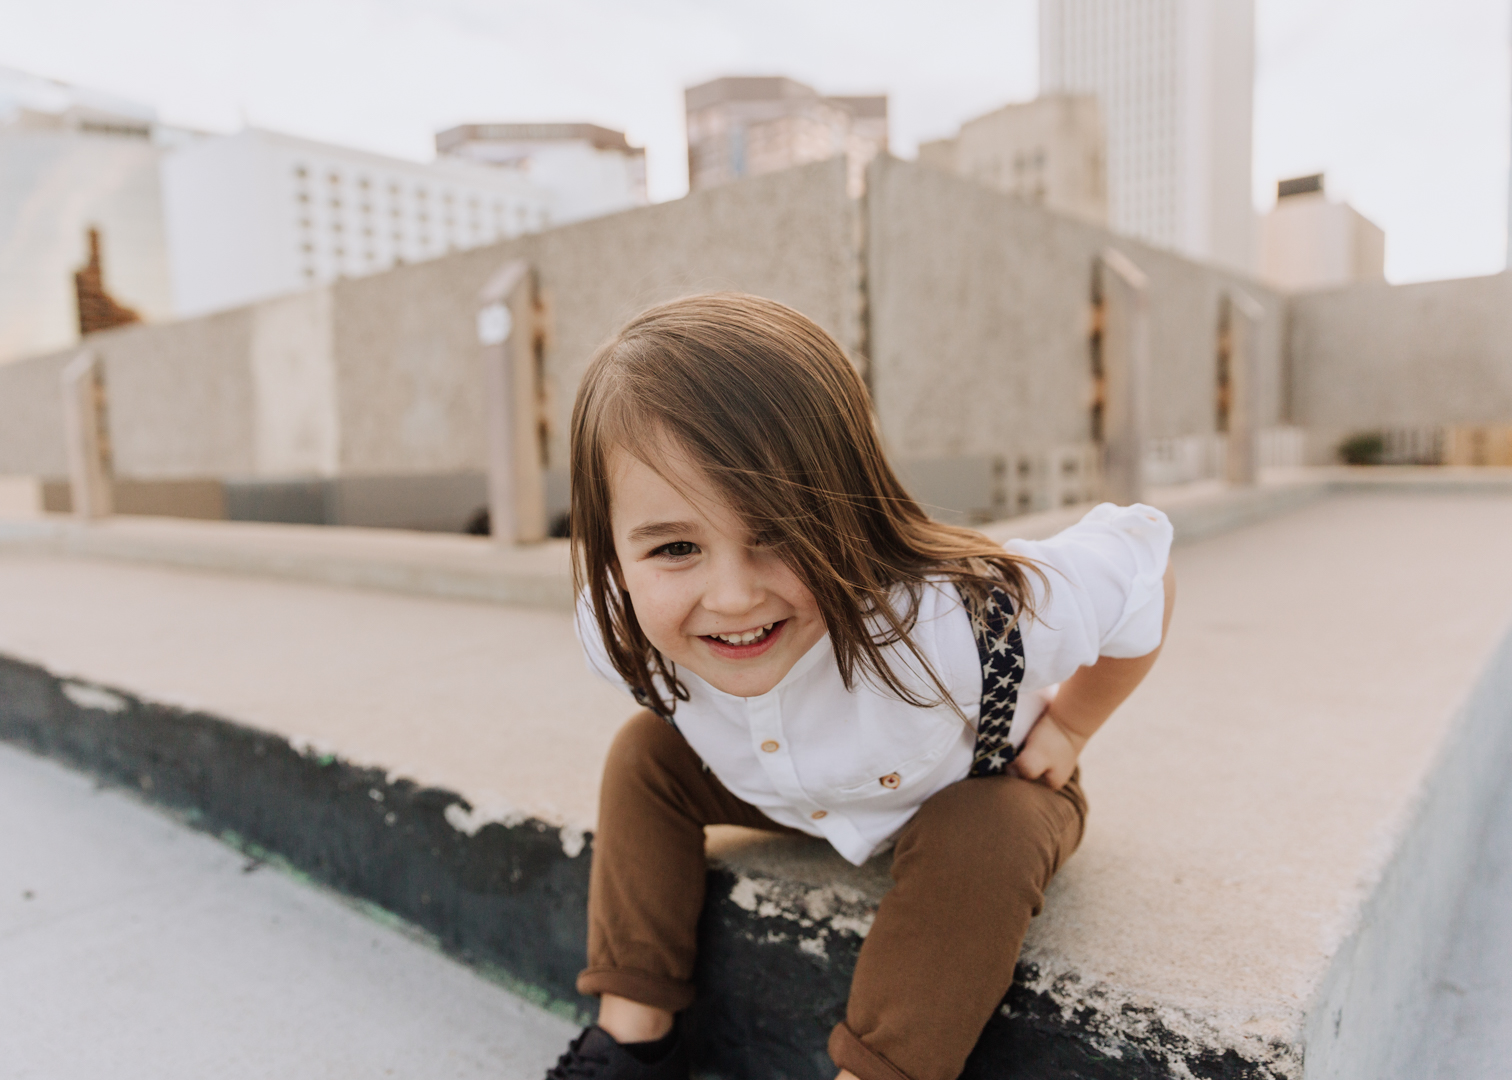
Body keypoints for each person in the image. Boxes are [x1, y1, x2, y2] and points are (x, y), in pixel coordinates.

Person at [547, 293, 1175, 1080]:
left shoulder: (960, 620)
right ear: (611, 553)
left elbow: (1147, 570)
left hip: (972, 788)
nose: (734, 597)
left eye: (775, 534)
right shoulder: (619, 626)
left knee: (987, 835)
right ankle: (634, 1037)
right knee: (645, 754)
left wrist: (1073, 727)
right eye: (675, 547)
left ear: (852, 506)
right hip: (785, 789)